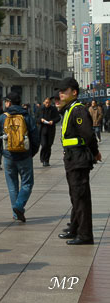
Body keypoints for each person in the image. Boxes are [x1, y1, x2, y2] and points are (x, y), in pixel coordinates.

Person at [57, 77, 101, 245]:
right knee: (75, 196)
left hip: (78, 158)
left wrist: (95, 153)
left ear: (74, 92)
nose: (60, 94)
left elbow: (89, 135)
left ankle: (85, 235)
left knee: (80, 197)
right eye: (60, 91)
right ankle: (74, 229)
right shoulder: (69, 109)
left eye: (64, 91)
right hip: (71, 157)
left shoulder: (78, 110)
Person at [0, 91, 39, 223]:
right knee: (28, 183)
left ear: (9, 103)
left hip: (9, 156)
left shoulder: (2, 117)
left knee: (12, 185)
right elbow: (35, 137)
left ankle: (15, 212)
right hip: (24, 155)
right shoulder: (27, 116)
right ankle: (19, 206)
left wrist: (3, 152)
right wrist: (31, 152)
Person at [38, 96, 60, 166]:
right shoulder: (40, 109)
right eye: (46, 102)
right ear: (44, 102)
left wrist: (52, 121)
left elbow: (58, 118)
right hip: (42, 130)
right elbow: (35, 118)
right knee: (44, 145)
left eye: (49, 103)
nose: (47, 104)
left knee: (49, 145)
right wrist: (40, 120)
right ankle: (42, 158)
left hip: (50, 130)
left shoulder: (53, 109)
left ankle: (46, 160)